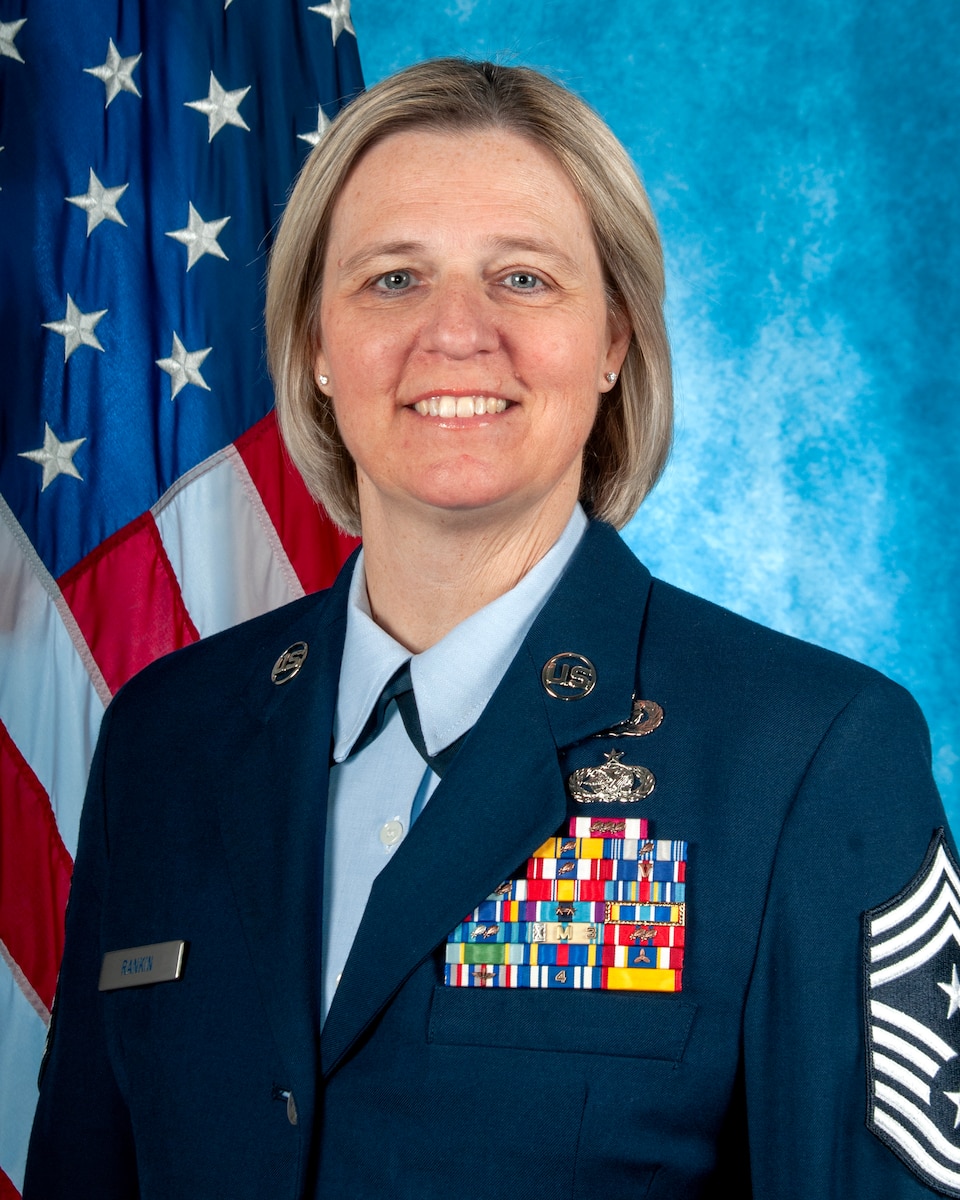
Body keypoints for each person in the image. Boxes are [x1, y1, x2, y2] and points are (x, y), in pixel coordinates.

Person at [25, 58, 958, 1199]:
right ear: (316, 344)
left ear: (614, 339)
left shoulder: (809, 754)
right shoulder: (164, 743)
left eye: (522, 277)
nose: (456, 336)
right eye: (392, 279)